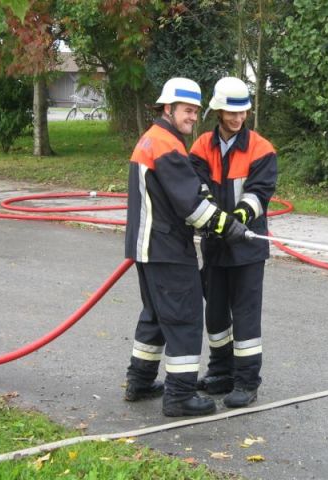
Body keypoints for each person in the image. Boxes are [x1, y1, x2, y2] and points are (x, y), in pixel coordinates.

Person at [124, 77, 249, 417]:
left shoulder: (154, 138)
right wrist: (228, 227)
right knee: (184, 318)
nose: (192, 117)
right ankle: (179, 396)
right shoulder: (166, 144)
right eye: (187, 110)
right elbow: (191, 206)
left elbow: (184, 190)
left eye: (195, 111)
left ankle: (139, 381)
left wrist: (209, 205)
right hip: (167, 248)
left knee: (155, 315)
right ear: (168, 108)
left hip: (147, 247)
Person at [190, 77, 278, 408]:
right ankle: (221, 373)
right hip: (215, 246)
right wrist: (217, 222)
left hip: (247, 248)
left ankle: (246, 381)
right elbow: (197, 189)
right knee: (215, 316)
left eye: (242, 112)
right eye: (231, 112)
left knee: (245, 316)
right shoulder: (201, 147)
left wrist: (238, 218)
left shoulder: (261, 148)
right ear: (218, 111)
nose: (238, 118)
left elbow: (259, 192)